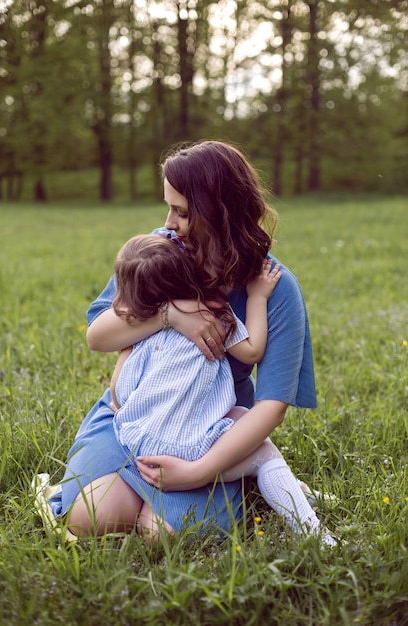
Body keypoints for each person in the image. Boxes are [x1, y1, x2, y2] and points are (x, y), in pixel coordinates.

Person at [38, 140, 336, 545]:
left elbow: (270, 406)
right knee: (87, 520)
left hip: (205, 428)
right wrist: (172, 315)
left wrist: (200, 472)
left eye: (181, 211)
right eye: (168, 207)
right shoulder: (159, 254)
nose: (169, 222)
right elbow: (98, 336)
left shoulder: (273, 287)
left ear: (220, 213)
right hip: (136, 415)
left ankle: (244, 478)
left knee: (161, 535)